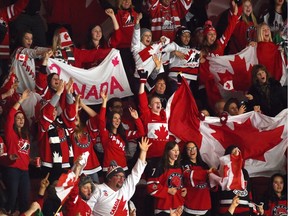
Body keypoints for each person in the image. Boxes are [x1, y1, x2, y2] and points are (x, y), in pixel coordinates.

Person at [87, 137, 152, 215]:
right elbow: (87, 209)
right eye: (117, 176)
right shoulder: (98, 189)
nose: (121, 179)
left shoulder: (124, 190)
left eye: (122, 176)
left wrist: (143, 152)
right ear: (110, 178)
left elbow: (136, 173)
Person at [38, 78, 76, 183]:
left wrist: (68, 93)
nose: (53, 112)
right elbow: (47, 112)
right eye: (51, 110)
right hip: (49, 166)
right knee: (51, 195)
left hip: (66, 164)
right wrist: (59, 92)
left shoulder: (62, 123)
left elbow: (71, 115)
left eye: (55, 110)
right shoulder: (42, 125)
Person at [99, 91, 145, 173]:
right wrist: (104, 102)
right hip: (109, 169)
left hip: (123, 169)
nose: (117, 120)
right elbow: (101, 120)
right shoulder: (105, 134)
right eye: (115, 118)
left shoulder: (124, 134)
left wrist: (136, 118)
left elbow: (141, 132)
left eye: (119, 119)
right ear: (110, 119)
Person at [4, 89, 31, 214]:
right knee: (12, 196)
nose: (21, 120)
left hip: (24, 171)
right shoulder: (11, 134)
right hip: (12, 169)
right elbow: (10, 114)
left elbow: (24, 155)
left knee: (25, 199)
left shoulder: (26, 137)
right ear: (14, 121)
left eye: (22, 118)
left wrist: (33, 161)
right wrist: (21, 99)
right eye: (18, 118)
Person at [147, 141, 187, 215]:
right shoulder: (160, 167)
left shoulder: (180, 167)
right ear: (168, 152)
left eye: (177, 150)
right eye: (173, 150)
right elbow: (151, 186)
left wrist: (183, 190)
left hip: (179, 208)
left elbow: (178, 184)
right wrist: (167, 190)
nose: (176, 152)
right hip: (164, 209)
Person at [72, 95, 102, 183]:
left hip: (92, 167)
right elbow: (71, 116)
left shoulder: (87, 128)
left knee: (95, 193)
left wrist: (82, 105)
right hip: (76, 167)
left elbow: (97, 118)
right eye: (73, 114)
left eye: (77, 113)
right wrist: (76, 104)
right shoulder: (69, 131)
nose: (75, 115)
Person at [181, 141, 213, 215]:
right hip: (190, 207)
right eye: (189, 149)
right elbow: (188, 175)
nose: (192, 151)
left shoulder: (204, 165)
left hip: (205, 207)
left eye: (194, 148)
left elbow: (211, 185)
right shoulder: (183, 164)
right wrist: (206, 173)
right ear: (186, 151)